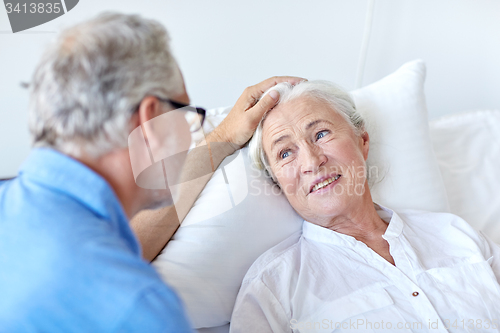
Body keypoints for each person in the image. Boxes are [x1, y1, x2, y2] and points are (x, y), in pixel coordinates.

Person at [0, 12, 303, 332]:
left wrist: (225, 138)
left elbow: (118, 246)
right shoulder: (142, 309)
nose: (191, 132)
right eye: (186, 113)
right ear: (149, 119)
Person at [230, 80, 500, 332]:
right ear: (277, 182)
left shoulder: (455, 233)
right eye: (285, 153)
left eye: (321, 133)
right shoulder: (273, 287)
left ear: (363, 141)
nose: (312, 162)